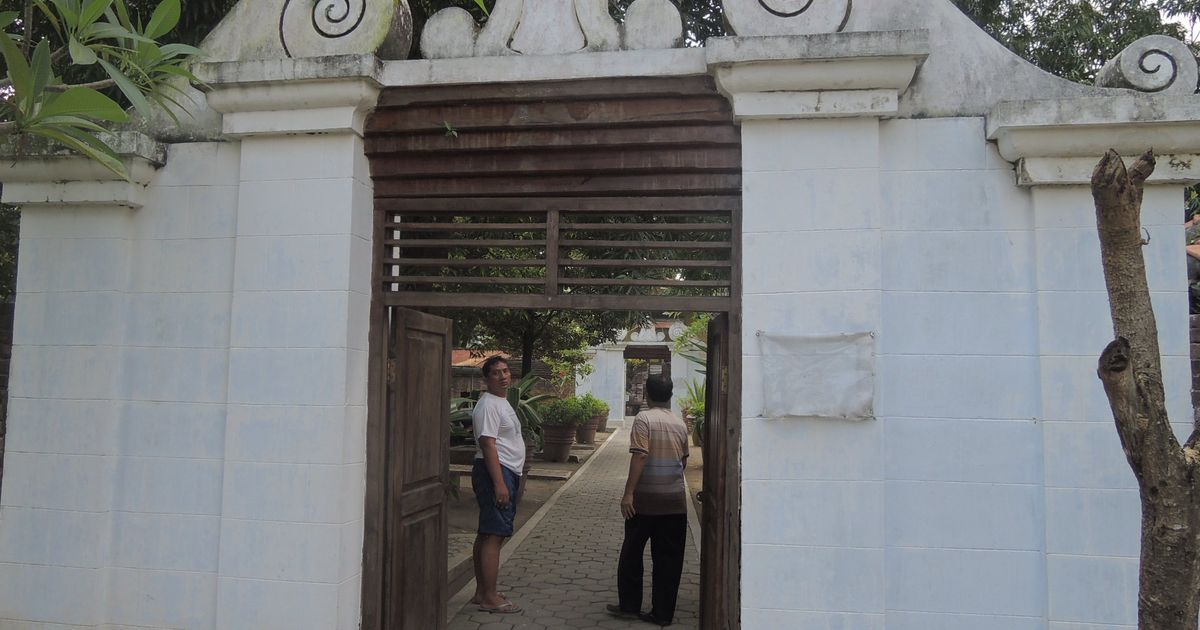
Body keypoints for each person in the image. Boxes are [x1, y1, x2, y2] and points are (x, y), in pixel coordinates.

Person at [607, 374, 690, 627]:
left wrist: (628, 493)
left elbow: (640, 456)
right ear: (671, 395)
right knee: (669, 560)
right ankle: (662, 614)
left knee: (632, 552)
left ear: (647, 395)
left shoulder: (643, 419)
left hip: (644, 502)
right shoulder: (680, 423)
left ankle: (630, 606)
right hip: (675, 503)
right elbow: (683, 461)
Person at [470, 355, 525, 614]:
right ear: (486, 378)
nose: (503, 376)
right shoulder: (489, 405)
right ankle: (490, 597)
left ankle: (482, 592)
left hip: (505, 471)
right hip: (497, 472)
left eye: (505, 371)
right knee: (495, 535)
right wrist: (500, 483)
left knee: (487, 533)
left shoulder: (500, 402)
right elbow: (488, 443)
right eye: (496, 373)